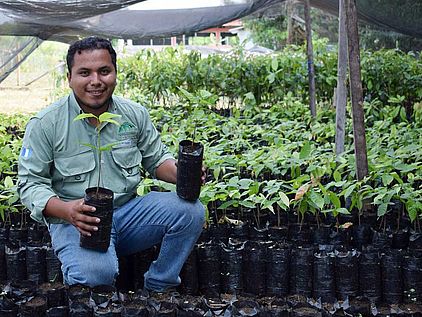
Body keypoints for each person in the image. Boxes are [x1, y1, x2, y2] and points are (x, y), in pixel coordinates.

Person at [17, 36, 205, 291]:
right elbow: (30, 183)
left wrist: (183, 173)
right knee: (95, 276)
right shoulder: (47, 123)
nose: (96, 81)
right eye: (85, 72)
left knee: (190, 211)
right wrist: (67, 210)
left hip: (129, 215)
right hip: (78, 222)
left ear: (115, 74)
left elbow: (157, 159)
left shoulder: (133, 114)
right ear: (69, 78)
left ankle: (160, 286)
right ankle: (93, 270)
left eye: (104, 71)